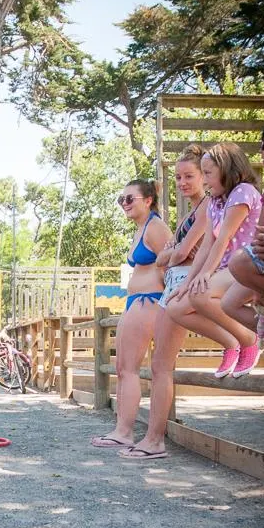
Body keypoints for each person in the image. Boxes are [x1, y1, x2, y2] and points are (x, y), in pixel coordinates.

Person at [120, 148, 209, 460]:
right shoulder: (191, 213)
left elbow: (178, 255)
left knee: (160, 367)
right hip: (171, 292)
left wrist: (176, 253)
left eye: (192, 176)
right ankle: (148, 437)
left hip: (175, 292)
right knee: (154, 367)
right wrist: (175, 252)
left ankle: (154, 439)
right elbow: (171, 253)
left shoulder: (208, 207)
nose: (183, 182)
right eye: (179, 177)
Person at [165, 143, 262, 378]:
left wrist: (205, 275)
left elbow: (224, 238)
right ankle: (232, 343)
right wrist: (187, 281)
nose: (205, 180)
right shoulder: (216, 201)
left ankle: (250, 339)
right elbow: (207, 244)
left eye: (207, 173)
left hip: (248, 266)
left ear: (227, 170)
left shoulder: (243, 192)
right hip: (226, 269)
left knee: (200, 294)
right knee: (175, 306)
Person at [91, 178, 171, 449]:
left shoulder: (156, 227)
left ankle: (126, 431)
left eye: (129, 199)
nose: (124, 204)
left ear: (148, 200)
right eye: (121, 199)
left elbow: (173, 264)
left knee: (131, 368)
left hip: (150, 301)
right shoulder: (140, 229)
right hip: (135, 300)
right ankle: (121, 429)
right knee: (122, 367)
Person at [222, 118, 264, 376]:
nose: (260, 151)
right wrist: (263, 243)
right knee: (248, 268)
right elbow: (262, 228)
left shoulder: (250, 192)